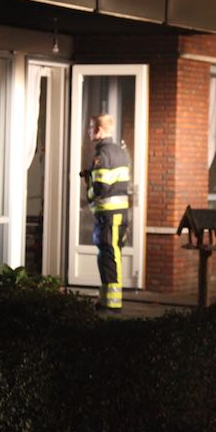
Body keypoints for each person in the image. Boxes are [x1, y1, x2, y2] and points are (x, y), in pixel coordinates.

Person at [83, 113, 131, 312]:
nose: (89, 131)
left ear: (100, 130)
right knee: (109, 255)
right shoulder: (120, 152)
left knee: (109, 256)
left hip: (109, 215)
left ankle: (112, 303)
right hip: (117, 214)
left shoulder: (102, 155)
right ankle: (105, 301)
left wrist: (89, 189)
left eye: (91, 127)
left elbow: (101, 187)